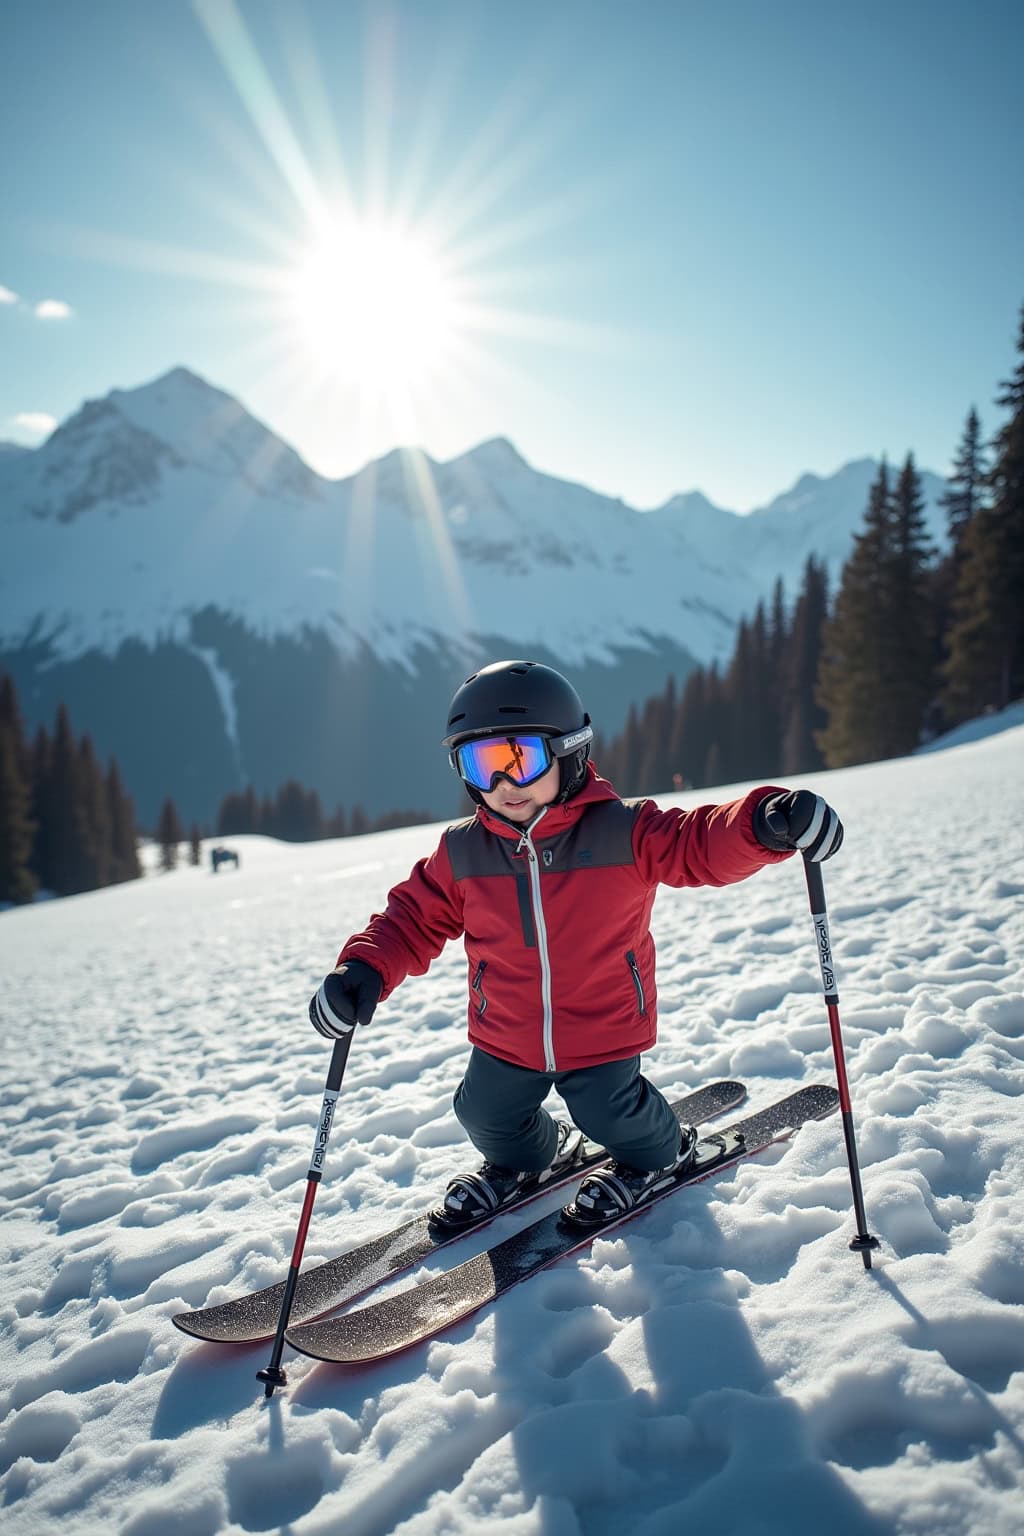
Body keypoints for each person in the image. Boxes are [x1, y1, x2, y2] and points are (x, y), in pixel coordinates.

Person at [309, 660, 843, 1227]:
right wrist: (364, 968)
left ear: (569, 752)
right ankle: (534, 1157)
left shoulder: (624, 831)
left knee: (610, 1112)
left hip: (602, 1025)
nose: (503, 785)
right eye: (480, 764)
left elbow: (698, 844)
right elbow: (411, 918)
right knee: (483, 1114)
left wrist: (763, 823)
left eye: (521, 760)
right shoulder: (464, 853)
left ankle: (662, 1155)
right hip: (506, 1031)